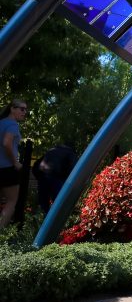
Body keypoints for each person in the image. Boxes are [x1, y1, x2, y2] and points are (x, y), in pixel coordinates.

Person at [0, 99, 27, 230]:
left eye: (26, 109)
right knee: (11, 201)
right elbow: (6, 143)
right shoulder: (12, 125)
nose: (24, 112)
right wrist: (15, 162)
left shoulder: (1, 123)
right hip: (7, 169)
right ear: (12, 109)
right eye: (22, 109)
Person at [33, 143, 77, 214]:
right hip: (56, 177)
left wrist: (39, 178)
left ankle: (41, 221)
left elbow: (36, 166)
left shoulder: (51, 151)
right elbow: (74, 170)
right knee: (59, 204)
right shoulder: (70, 153)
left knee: (43, 206)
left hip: (43, 177)